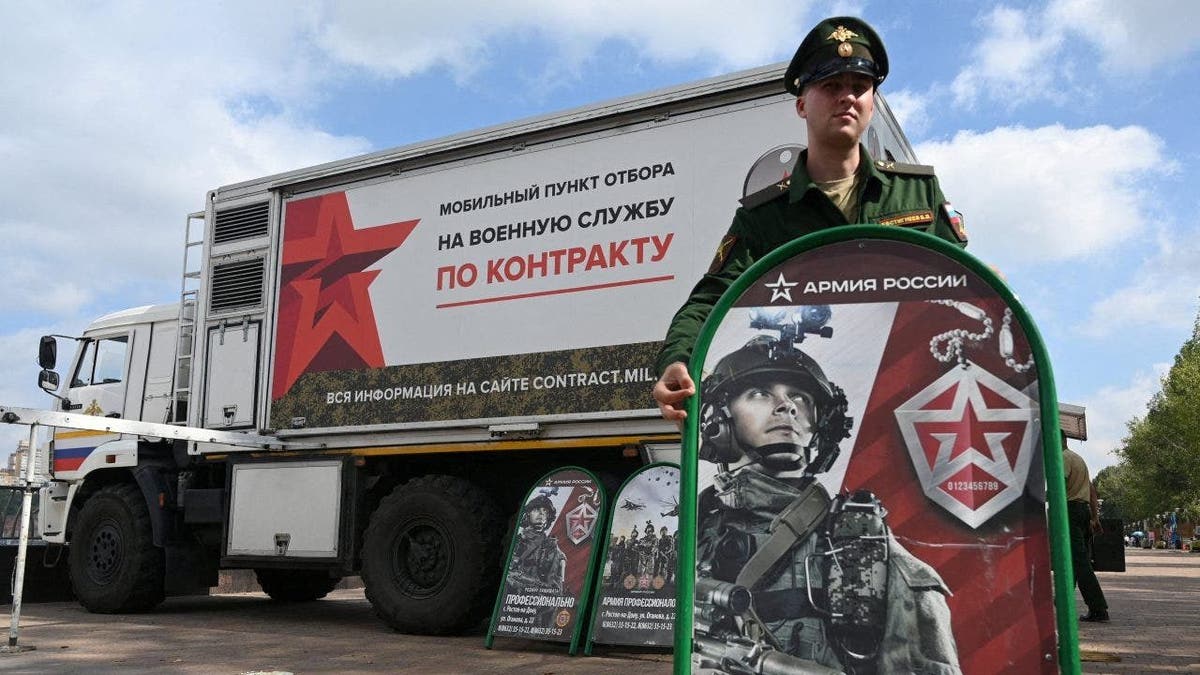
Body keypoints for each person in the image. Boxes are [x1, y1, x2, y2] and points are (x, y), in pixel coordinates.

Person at [653, 16, 969, 423]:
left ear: (872, 101)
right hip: (813, 405)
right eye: (831, 86)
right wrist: (677, 358)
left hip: (912, 395)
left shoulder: (918, 192)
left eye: (859, 87)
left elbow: (959, 290)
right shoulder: (764, 216)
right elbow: (709, 302)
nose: (848, 98)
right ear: (802, 104)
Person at [693, 333, 959, 674]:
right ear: (718, 419)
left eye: (800, 398)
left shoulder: (861, 548)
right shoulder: (698, 527)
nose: (786, 406)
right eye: (759, 393)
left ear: (822, 424)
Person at [1062, 434, 1110, 622]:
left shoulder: (1063, 458)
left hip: (1071, 510)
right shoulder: (1078, 459)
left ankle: (1098, 607)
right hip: (1082, 512)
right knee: (1074, 559)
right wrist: (1095, 517)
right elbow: (1091, 490)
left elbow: (1061, 482)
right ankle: (1062, 597)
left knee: (1080, 561)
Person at [508, 493, 566, 592]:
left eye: (545, 511)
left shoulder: (550, 548)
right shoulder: (515, 541)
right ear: (528, 514)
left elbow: (555, 591)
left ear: (548, 518)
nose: (541, 514)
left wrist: (517, 580)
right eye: (536, 509)